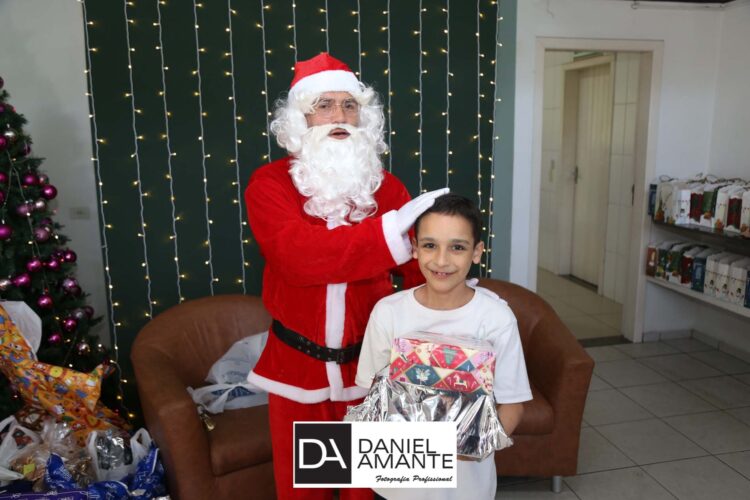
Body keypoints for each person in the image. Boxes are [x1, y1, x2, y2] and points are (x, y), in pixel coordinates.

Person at [244, 52, 448, 500]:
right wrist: (387, 235)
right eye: (324, 105)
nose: (339, 115)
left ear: (363, 117)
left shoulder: (388, 189)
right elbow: (298, 258)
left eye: (349, 105)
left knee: (367, 491)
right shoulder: (270, 184)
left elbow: (419, 274)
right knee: (305, 493)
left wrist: (456, 306)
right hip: (297, 371)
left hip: (371, 371)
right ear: (300, 118)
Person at [355, 194, 533, 500]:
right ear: (414, 248)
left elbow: (513, 405)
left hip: (466, 489)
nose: (441, 260)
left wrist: (476, 446)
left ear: (477, 252)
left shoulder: (496, 318)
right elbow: (372, 395)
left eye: (457, 247)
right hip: (395, 489)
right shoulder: (388, 312)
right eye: (430, 245)